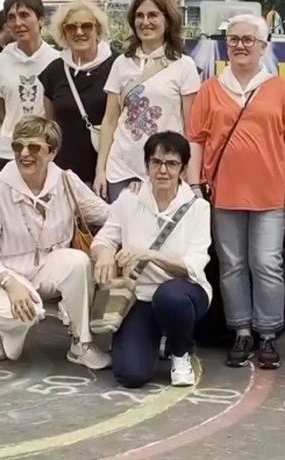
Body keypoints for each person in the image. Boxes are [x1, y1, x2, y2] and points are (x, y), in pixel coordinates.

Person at [186, 13, 285, 370]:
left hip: (271, 192)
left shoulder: (280, 89)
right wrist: (194, 183)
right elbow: (196, 140)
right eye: (233, 39)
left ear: (263, 47)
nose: (239, 46)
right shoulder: (210, 89)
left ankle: (267, 332)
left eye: (248, 40)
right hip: (224, 193)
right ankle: (241, 331)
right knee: (232, 265)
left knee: (267, 263)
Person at [0, 115, 111, 369]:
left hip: (46, 266)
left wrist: (107, 245)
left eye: (34, 147)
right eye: (18, 146)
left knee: (78, 261)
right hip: (0, 272)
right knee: (20, 321)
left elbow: (109, 217)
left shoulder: (66, 181)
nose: (24, 154)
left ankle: (81, 344)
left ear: (52, 152)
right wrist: (10, 284)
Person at [92, 131, 212, 388]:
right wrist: (104, 255)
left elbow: (192, 266)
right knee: (130, 375)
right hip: (140, 295)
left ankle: (180, 352)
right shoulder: (128, 199)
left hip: (184, 293)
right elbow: (105, 239)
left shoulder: (198, 208)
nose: (163, 170)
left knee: (169, 297)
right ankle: (152, 339)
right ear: (146, 165)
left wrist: (149, 255)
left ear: (183, 168)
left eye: (171, 163)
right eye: (156, 162)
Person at [95, 0, 200, 201]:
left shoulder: (183, 65)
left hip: (164, 168)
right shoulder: (121, 63)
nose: (145, 22)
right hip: (121, 168)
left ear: (167, 20)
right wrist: (101, 170)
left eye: (153, 15)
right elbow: (110, 120)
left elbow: (191, 126)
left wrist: (190, 174)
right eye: (139, 16)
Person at [39, 1, 115, 186]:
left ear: (98, 30)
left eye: (87, 26)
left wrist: (102, 170)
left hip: (108, 172)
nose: (79, 32)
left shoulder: (117, 65)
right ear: (63, 33)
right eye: (71, 27)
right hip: (65, 171)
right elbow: (51, 125)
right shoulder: (54, 72)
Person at [0, 0, 59, 173]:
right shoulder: (0, 60)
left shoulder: (56, 60)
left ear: (41, 20)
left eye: (24, 15)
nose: (18, 23)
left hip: (43, 150)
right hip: (9, 150)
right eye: (11, 18)